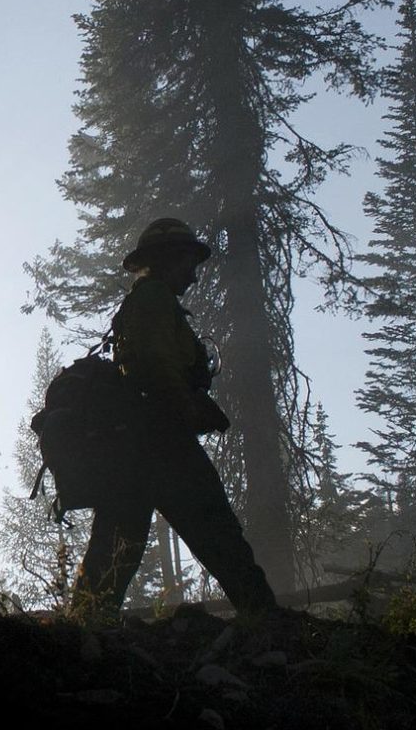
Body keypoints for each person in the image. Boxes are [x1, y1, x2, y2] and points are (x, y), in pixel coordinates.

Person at [73, 217, 278, 622]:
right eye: (188, 263)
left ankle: (82, 631)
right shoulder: (153, 299)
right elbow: (155, 363)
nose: (194, 275)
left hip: (132, 446)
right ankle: (267, 622)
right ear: (167, 259)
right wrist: (187, 406)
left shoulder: (145, 302)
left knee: (113, 552)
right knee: (218, 533)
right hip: (162, 440)